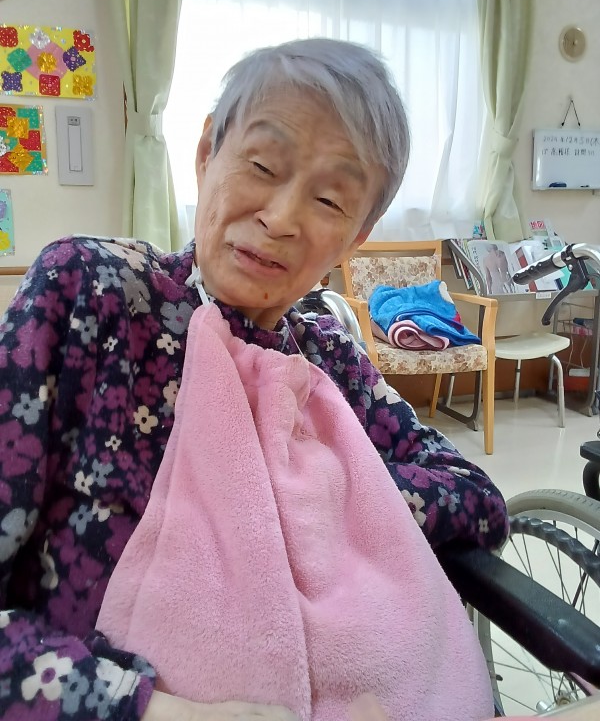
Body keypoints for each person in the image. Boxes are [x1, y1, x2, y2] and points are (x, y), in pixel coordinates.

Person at [0, 38, 508, 721]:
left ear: (357, 237)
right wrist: (156, 712)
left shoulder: (326, 358)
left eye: (329, 200)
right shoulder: (91, 295)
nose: (281, 217)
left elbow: (476, 496)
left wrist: (313, 499)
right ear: (206, 152)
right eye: (263, 165)